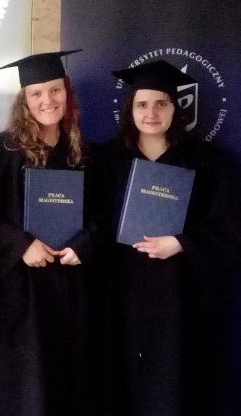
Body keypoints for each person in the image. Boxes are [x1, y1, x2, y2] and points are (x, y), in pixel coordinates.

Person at [102, 60, 241, 416]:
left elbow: (230, 225)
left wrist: (182, 243)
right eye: (142, 104)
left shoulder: (207, 161)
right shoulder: (107, 160)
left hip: (181, 296)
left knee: (175, 386)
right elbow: (93, 223)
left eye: (161, 103)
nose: (151, 113)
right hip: (123, 294)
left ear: (176, 108)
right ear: (130, 109)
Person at [0, 50, 101, 416]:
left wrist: (84, 245)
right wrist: (19, 246)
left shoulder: (84, 152)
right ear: (24, 101)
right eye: (36, 93)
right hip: (22, 292)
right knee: (27, 387)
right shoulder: (4, 149)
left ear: (67, 93)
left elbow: (103, 215)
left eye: (55, 90)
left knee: (69, 382)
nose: (48, 100)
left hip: (71, 289)